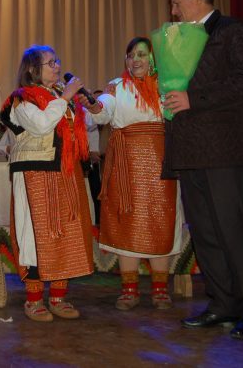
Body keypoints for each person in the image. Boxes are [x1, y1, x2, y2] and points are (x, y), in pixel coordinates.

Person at [163, 0, 243, 339]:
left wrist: (194, 99)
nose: (173, 11)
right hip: (189, 147)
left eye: (177, 2)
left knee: (231, 228)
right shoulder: (176, 38)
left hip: (221, 147)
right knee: (204, 232)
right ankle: (223, 304)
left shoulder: (232, 30)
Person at [82, 37, 182, 310]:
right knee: (128, 222)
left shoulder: (167, 86)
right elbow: (102, 110)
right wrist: (94, 106)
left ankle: (160, 290)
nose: (135, 59)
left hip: (161, 166)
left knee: (160, 221)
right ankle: (129, 290)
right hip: (126, 167)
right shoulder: (117, 87)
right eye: (130, 55)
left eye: (141, 54)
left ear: (152, 59)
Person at [0, 45, 94, 322]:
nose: (57, 67)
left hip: (65, 172)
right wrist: (65, 98)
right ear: (32, 69)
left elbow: (87, 125)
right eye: (51, 63)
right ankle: (33, 299)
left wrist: (88, 103)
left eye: (57, 61)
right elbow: (41, 124)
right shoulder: (22, 98)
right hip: (35, 174)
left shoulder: (61, 97)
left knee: (65, 231)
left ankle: (58, 297)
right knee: (34, 234)